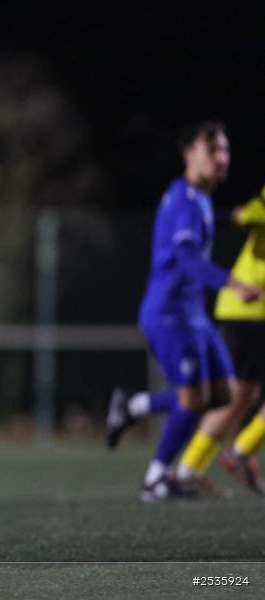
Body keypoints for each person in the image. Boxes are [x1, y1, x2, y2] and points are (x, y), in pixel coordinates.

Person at [105, 121, 260, 502]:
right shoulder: (184, 199)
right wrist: (233, 283)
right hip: (169, 314)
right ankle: (157, 479)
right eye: (213, 151)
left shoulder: (202, 200)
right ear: (190, 155)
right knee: (193, 399)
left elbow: (216, 222)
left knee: (223, 394)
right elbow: (186, 258)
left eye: (225, 150)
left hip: (195, 317)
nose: (222, 158)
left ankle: (133, 405)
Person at [176, 186, 265, 495]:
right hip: (251, 309)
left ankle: (189, 467)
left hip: (246, 310)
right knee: (236, 394)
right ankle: (239, 452)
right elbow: (247, 214)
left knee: (240, 394)